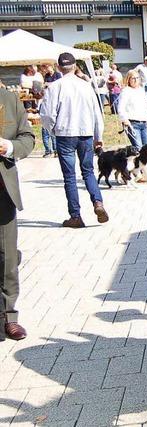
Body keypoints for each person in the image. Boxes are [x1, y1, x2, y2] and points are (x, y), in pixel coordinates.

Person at [40, 53, 108, 229]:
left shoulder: (55, 87)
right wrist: (98, 136)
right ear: (75, 65)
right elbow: (97, 113)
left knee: (69, 176)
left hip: (65, 134)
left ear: (59, 67)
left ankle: (75, 216)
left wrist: (52, 130)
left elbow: (47, 114)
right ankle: (98, 202)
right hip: (85, 133)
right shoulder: (86, 86)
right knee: (88, 171)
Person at [0, 87, 35, 341]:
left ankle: (9, 317)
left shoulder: (9, 99)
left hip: (3, 191)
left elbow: (28, 138)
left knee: (7, 258)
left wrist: (9, 146)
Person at [118, 70, 147, 150]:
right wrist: (124, 119)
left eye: (137, 78)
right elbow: (121, 107)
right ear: (129, 79)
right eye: (133, 78)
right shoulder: (126, 91)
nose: (136, 80)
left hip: (144, 123)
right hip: (132, 124)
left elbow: (146, 107)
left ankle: (142, 163)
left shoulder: (141, 90)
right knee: (138, 147)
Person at [41, 64, 62, 158]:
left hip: (54, 100)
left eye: (47, 68)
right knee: (46, 131)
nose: (47, 70)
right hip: (47, 99)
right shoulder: (47, 76)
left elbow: (59, 84)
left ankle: (55, 150)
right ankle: (49, 151)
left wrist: (48, 84)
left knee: (52, 131)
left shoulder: (57, 74)